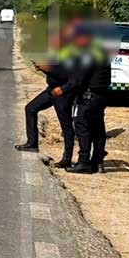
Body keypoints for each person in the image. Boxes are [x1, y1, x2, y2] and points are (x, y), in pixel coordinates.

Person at [15, 30, 77, 168]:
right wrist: (42, 68)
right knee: (30, 108)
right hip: (51, 90)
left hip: (62, 92)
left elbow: (67, 75)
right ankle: (32, 143)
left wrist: (48, 69)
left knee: (66, 125)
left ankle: (67, 158)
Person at [59, 27, 111, 174]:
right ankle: (97, 162)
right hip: (101, 96)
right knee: (98, 128)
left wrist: (62, 89)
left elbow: (78, 79)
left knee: (82, 126)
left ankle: (83, 162)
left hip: (89, 96)